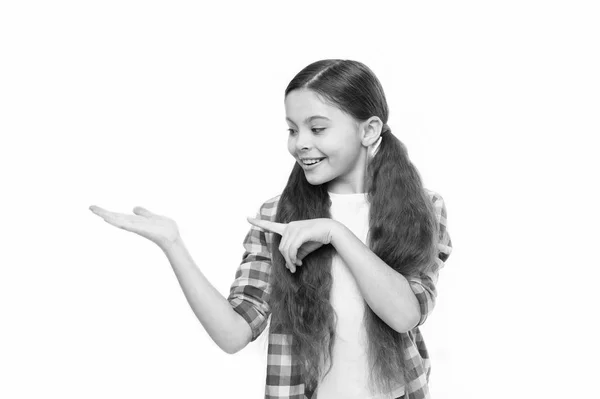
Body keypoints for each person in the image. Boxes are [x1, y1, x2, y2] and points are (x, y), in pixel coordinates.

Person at [89, 59, 453, 399]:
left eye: (317, 128)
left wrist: (336, 233)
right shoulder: (277, 215)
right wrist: (173, 245)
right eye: (293, 130)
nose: (300, 143)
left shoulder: (422, 209)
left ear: (369, 130)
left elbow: (405, 314)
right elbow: (234, 333)